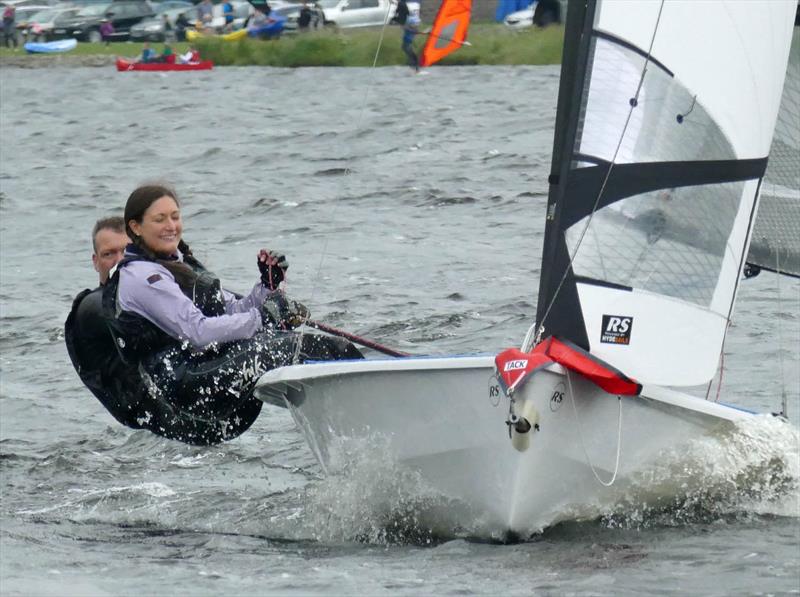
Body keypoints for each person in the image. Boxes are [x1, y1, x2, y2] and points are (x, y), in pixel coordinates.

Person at [98, 184, 362, 444]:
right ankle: (371, 409)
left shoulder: (177, 263)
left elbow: (231, 311)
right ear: (135, 227)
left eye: (175, 217)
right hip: (190, 389)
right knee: (304, 346)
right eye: (160, 219)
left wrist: (266, 288)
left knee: (314, 345)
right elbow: (198, 331)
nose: (171, 225)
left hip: (208, 370)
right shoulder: (143, 276)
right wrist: (263, 318)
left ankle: (354, 426)